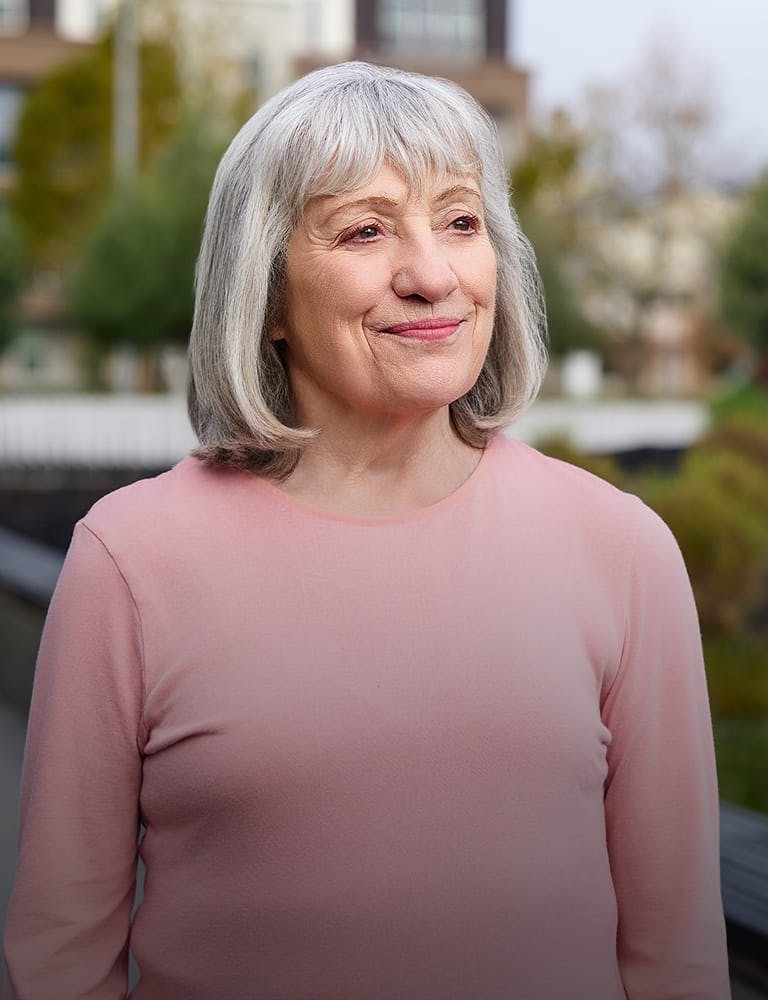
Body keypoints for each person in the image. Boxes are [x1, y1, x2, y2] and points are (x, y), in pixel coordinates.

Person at [3, 62, 730, 999]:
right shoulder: (130, 562)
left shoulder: (623, 551)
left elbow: (677, 960)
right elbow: (59, 955)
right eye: (365, 228)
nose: (432, 275)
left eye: (461, 222)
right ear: (264, 296)